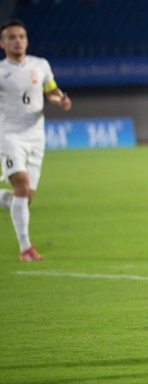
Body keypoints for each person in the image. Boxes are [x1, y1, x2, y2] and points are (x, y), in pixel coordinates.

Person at [0, 20, 73, 261]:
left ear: (27, 40)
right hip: (9, 135)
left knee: (25, 198)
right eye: (11, 37)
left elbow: (51, 91)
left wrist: (60, 100)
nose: (17, 41)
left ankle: (4, 198)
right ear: (3, 43)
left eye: (21, 36)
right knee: (20, 185)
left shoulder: (40, 65)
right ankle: (25, 249)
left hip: (36, 138)